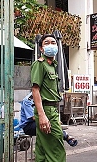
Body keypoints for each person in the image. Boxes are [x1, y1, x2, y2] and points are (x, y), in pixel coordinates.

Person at [31, 34, 66, 162]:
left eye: (53, 42)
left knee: (42, 151)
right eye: (46, 43)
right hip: (46, 110)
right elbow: (35, 89)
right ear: (41, 49)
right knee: (57, 151)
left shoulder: (52, 66)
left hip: (51, 110)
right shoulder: (40, 64)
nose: (51, 45)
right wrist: (42, 115)